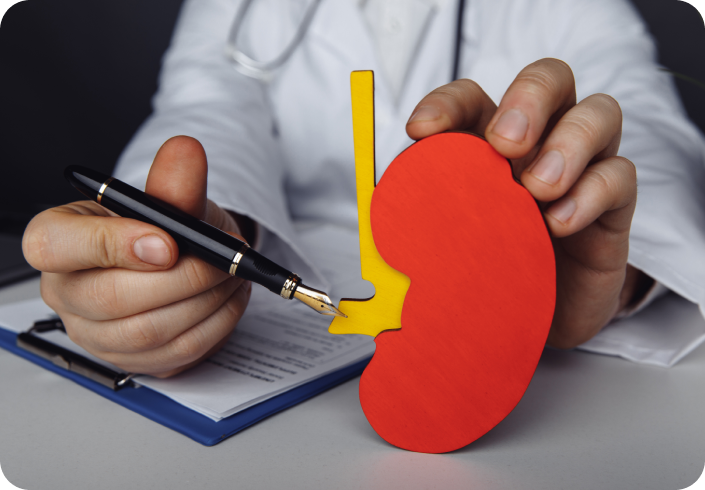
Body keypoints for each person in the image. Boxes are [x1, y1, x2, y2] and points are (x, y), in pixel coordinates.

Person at [21, 0, 705, 377]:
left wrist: (599, 264)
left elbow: (640, 118)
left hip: (484, 314)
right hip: (296, 303)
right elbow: (205, 107)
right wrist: (189, 228)